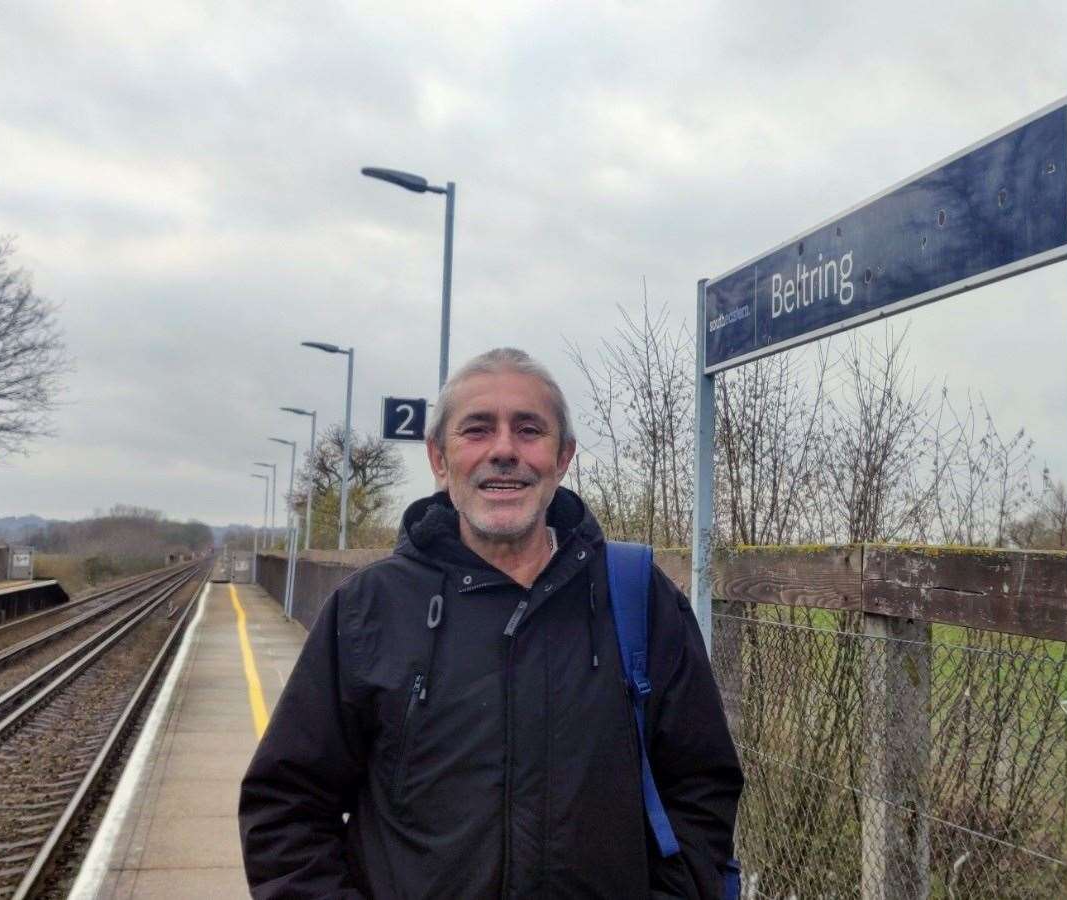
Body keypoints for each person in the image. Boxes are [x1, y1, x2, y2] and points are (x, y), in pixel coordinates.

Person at [239, 347, 743, 899]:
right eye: (477, 430)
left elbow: (700, 789)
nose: (504, 450)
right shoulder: (368, 608)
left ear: (564, 456)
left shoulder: (639, 598)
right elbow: (286, 807)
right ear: (438, 457)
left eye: (529, 430)